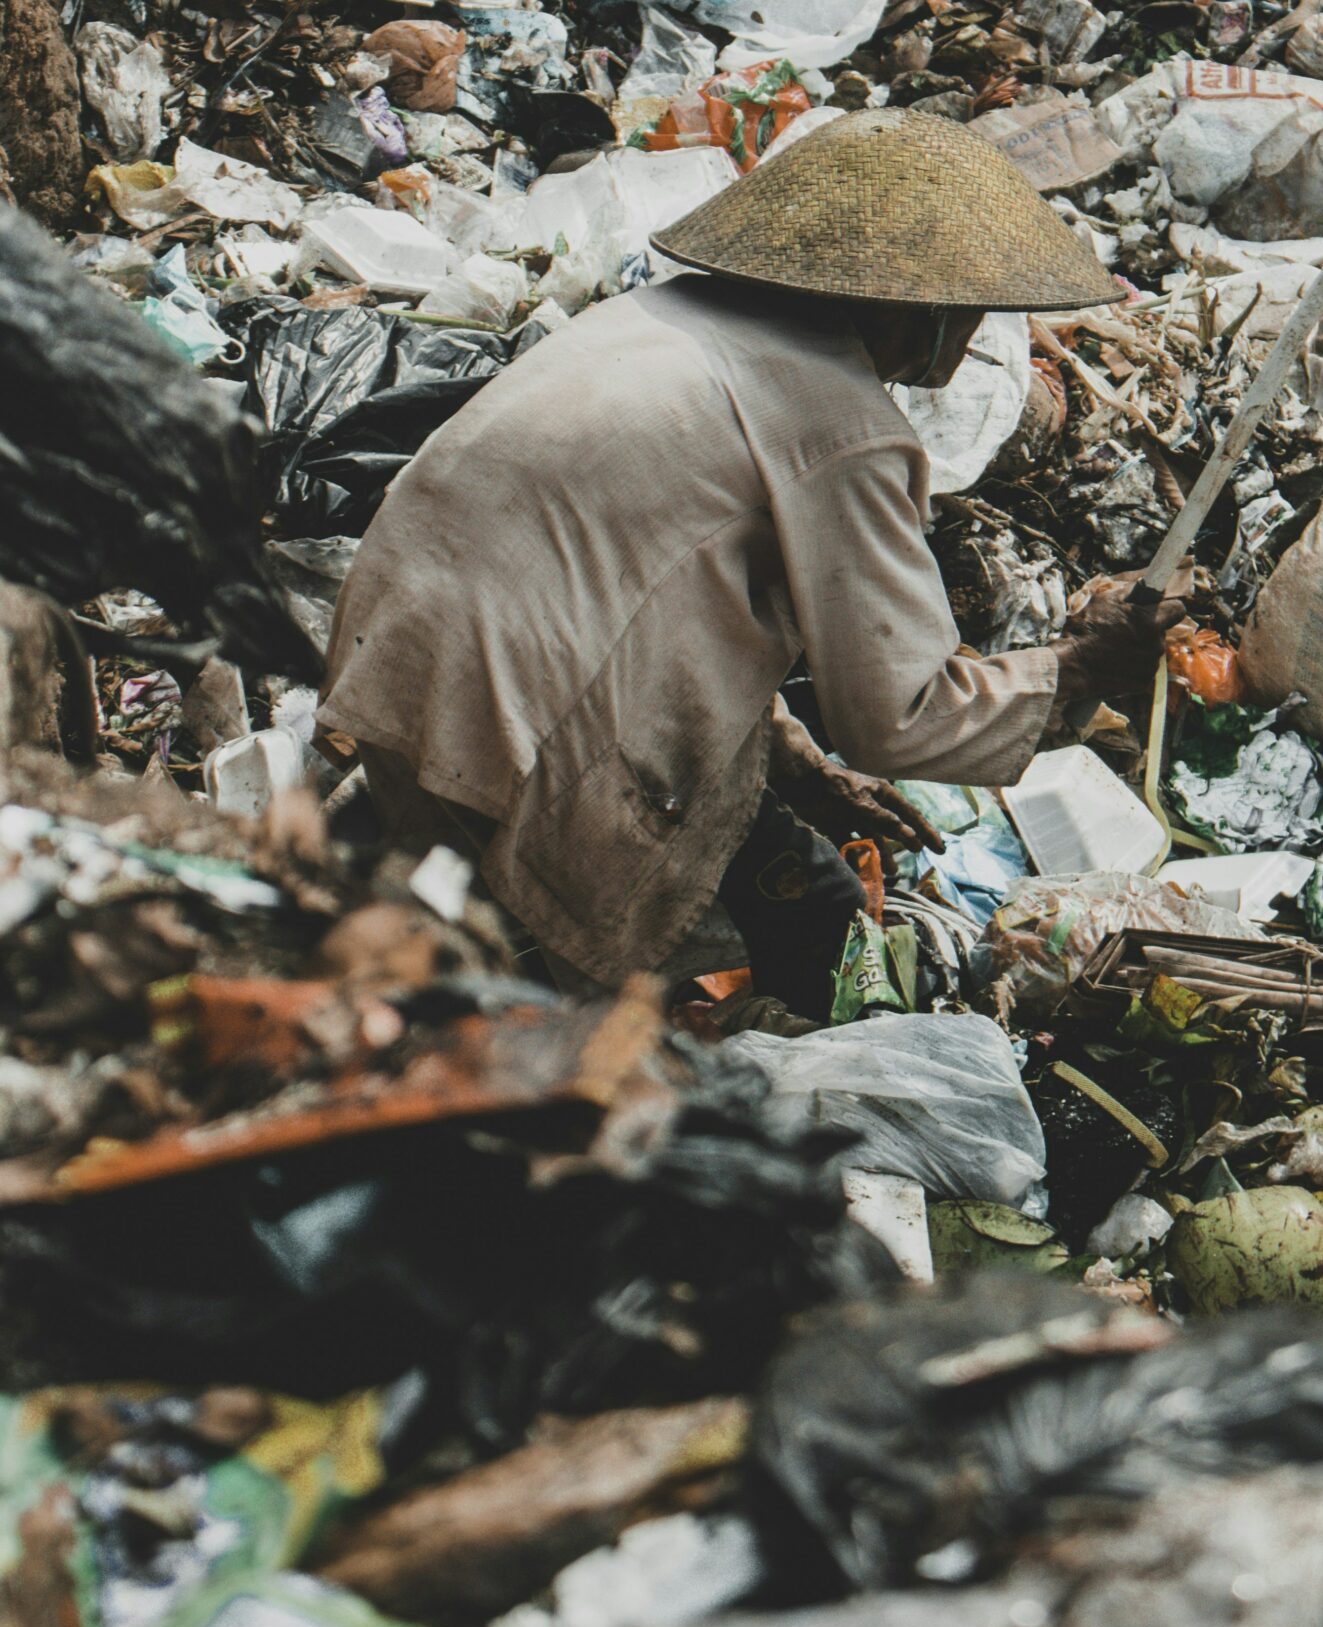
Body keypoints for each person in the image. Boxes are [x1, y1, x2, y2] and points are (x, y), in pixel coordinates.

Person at [318, 110, 1186, 1010]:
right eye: (966, 312)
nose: (969, 339)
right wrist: (1078, 667)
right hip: (514, 709)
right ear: (912, 310)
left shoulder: (651, 314)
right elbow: (899, 716)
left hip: (398, 649)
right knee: (811, 907)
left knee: (440, 881)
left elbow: (664, 605)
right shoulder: (841, 427)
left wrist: (798, 764)